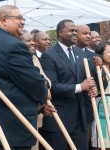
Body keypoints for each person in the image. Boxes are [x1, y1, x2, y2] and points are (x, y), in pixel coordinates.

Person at [0, 5, 48, 150]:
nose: (23, 22)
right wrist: (45, 91)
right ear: (4, 20)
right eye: (18, 18)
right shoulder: (14, 46)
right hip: (14, 123)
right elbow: (33, 82)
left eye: (23, 18)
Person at [39, 19, 98, 150]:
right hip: (60, 119)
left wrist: (92, 89)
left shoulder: (80, 53)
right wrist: (80, 87)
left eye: (76, 31)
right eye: (71, 30)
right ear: (60, 32)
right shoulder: (49, 55)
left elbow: (87, 79)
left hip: (81, 120)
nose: (75, 33)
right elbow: (52, 86)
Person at [75, 24, 107, 150]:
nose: (88, 36)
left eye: (89, 33)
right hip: (68, 110)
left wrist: (100, 69)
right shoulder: (64, 54)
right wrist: (82, 86)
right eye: (85, 33)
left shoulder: (94, 56)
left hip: (87, 109)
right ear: (75, 34)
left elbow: (102, 85)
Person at [92, 41, 110, 150]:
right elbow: (101, 86)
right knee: (102, 141)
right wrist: (101, 67)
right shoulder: (96, 69)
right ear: (101, 54)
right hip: (103, 106)